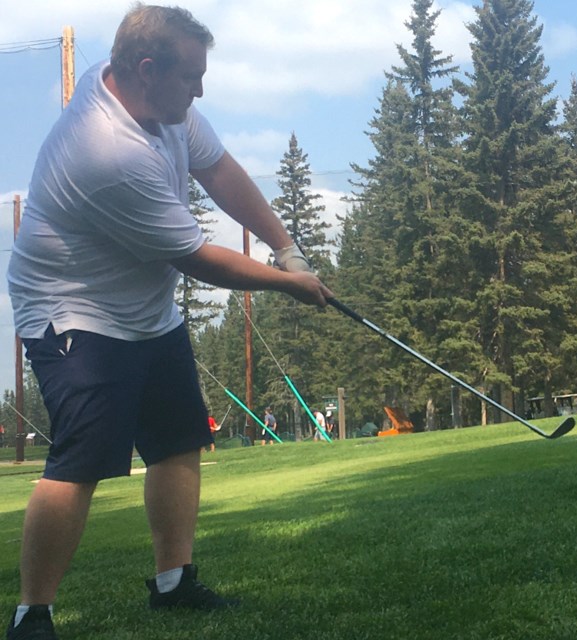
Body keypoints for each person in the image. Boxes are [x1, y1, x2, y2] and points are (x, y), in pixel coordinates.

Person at [4, 5, 334, 639]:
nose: (201, 90)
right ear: (147, 70)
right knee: (82, 460)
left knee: (178, 438)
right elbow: (195, 258)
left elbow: (219, 171)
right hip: (72, 309)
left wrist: (286, 245)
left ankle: (174, 582)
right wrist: (289, 286)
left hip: (144, 306)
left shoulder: (156, 100)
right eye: (192, 77)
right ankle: (32, 614)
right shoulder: (107, 152)